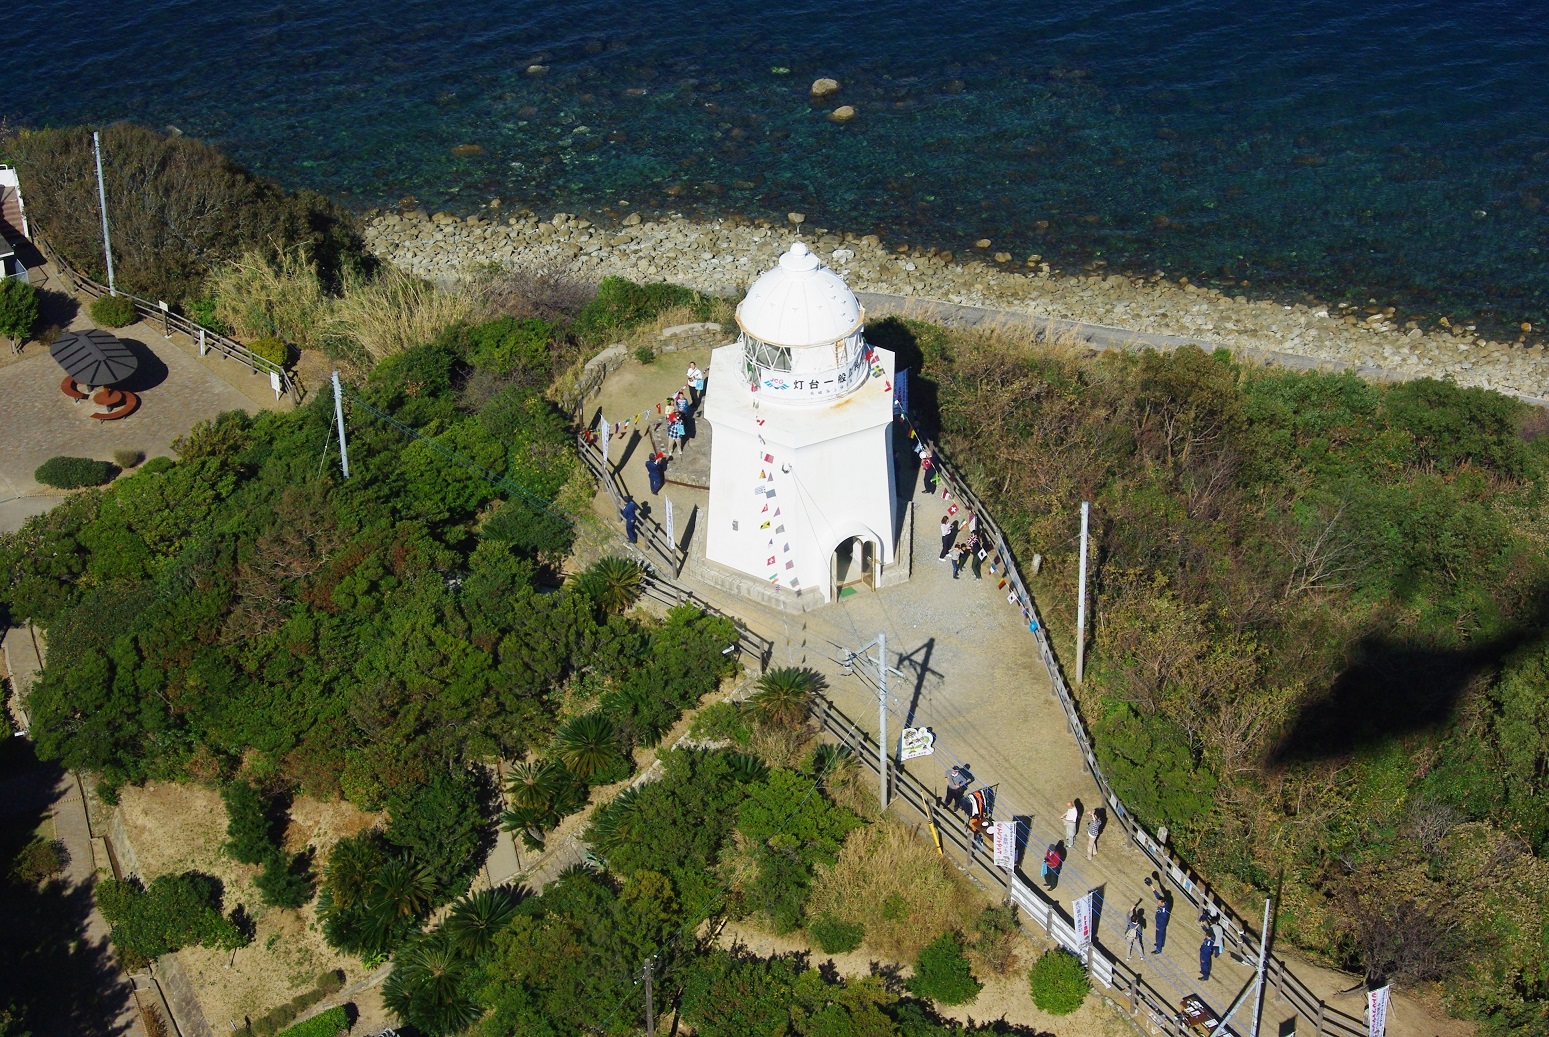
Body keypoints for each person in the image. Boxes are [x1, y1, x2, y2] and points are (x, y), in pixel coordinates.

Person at [1152, 882, 1172, 954]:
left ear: (1162, 903)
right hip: (1160, 923)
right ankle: (1161, 944)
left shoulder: (1164, 911)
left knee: (1159, 935)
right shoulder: (1164, 902)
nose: (1158, 903)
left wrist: (1158, 925)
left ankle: (1158, 949)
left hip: (1161, 924)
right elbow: (1157, 895)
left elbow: (1162, 919)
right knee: (1162, 934)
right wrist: (1151, 886)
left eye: (1159, 902)